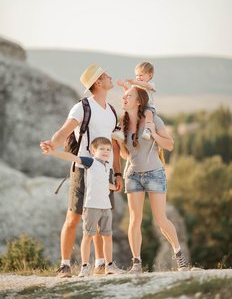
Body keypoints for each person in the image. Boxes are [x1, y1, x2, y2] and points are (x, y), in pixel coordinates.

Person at [40, 64, 123, 278]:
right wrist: (52, 143)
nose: (110, 77)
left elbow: (114, 145)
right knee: (74, 219)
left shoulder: (112, 111)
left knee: (100, 218)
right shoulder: (82, 107)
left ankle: (100, 265)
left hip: (105, 173)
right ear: (97, 82)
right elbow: (64, 131)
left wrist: (118, 172)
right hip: (82, 170)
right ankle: (65, 265)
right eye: (106, 75)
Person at [115, 85, 190, 273]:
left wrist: (154, 134)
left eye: (128, 95)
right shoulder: (121, 122)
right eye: (123, 95)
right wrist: (117, 141)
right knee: (134, 219)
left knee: (160, 219)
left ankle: (180, 257)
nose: (124, 98)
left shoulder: (154, 120)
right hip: (132, 175)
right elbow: (126, 155)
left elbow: (170, 145)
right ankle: (136, 263)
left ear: (138, 101)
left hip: (154, 173)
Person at [43, 137, 124, 277]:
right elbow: (72, 157)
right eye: (102, 149)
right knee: (88, 236)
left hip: (106, 207)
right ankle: (85, 267)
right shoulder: (91, 162)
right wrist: (53, 153)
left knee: (107, 236)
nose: (106, 152)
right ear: (93, 151)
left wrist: (114, 187)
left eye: (108, 150)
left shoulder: (106, 166)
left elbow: (103, 184)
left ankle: (109, 266)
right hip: (91, 207)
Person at [116, 62, 156, 140]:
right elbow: (128, 92)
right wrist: (123, 85)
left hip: (148, 107)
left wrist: (135, 82)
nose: (138, 77)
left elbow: (145, 85)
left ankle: (148, 129)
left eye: (141, 75)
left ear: (150, 75)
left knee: (149, 113)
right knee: (126, 114)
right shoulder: (135, 85)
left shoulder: (150, 85)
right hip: (137, 106)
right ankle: (121, 131)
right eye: (137, 75)